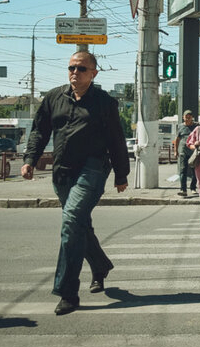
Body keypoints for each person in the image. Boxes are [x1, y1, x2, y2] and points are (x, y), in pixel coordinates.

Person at [22, 50, 129, 316]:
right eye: (71, 67)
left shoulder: (104, 102)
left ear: (94, 73)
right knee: (79, 224)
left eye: (81, 68)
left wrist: (121, 173)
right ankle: (100, 264)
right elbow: (39, 131)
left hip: (93, 168)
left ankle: (67, 292)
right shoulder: (54, 97)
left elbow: (117, 138)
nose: (74, 72)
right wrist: (30, 159)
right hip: (63, 172)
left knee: (71, 220)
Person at [173, 110, 197, 197]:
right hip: (183, 152)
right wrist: (175, 151)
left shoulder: (196, 126)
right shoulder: (180, 127)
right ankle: (183, 189)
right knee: (183, 170)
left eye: (189, 117)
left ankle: (193, 188)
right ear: (183, 117)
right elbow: (177, 139)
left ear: (192, 117)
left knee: (195, 171)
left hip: (193, 152)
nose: (187, 118)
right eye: (186, 117)